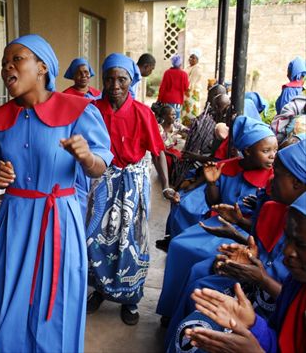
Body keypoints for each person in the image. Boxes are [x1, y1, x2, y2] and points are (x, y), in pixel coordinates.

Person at [0, 34, 113, 352]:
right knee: (9, 299)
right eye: (4, 63)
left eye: (17, 59)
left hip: (58, 221)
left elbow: (100, 166)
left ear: (42, 67)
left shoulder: (78, 111)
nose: (7, 67)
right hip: (15, 220)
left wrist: (86, 157)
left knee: (57, 306)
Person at [85, 53, 178, 325]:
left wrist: (166, 186)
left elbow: (158, 151)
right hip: (102, 183)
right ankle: (101, 289)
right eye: (110, 79)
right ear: (102, 80)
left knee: (131, 241)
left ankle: (130, 298)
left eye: (122, 79)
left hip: (132, 185)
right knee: (98, 239)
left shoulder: (142, 112)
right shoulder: (93, 110)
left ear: (131, 81)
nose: (115, 85)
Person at [156, 116, 278, 321]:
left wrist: (242, 220)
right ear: (247, 151)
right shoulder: (227, 167)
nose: (273, 156)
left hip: (246, 232)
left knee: (200, 258)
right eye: (266, 151)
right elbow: (215, 203)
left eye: (274, 150)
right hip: (219, 222)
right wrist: (212, 183)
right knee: (178, 245)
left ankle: (184, 312)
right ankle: (171, 309)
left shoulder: (274, 180)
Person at [185, 192, 306, 353]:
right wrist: (253, 323)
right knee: (190, 330)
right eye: (287, 239)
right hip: (256, 298)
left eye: (301, 244)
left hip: (261, 298)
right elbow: (279, 339)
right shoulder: (296, 283)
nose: (287, 251)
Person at [158, 54, 190, 120]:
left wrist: (159, 99)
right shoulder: (184, 74)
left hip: (166, 100)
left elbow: (162, 88)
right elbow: (186, 88)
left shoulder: (167, 73)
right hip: (177, 101)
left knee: (165, 119)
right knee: (175, 120)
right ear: (180, 64)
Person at [158, 105, 188, 176]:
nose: (174, 116)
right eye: (172, 115)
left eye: (175, 114)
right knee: (170, 160)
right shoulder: (159, 128)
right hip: (162, 153)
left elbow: (188, 131)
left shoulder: (175, 125)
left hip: (172, 151)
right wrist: (172, 155)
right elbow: (161, 148)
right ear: (164, 116)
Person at [182, 49, 204, 125]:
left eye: (193, 57)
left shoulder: (197, 68)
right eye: (190, 57)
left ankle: (191, 129)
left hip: (192, 93)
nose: (191, 59)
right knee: (185, 112)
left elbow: (191, 82)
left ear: (197, 59)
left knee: (192, 111)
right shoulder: (188, 67)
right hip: (187, 93)